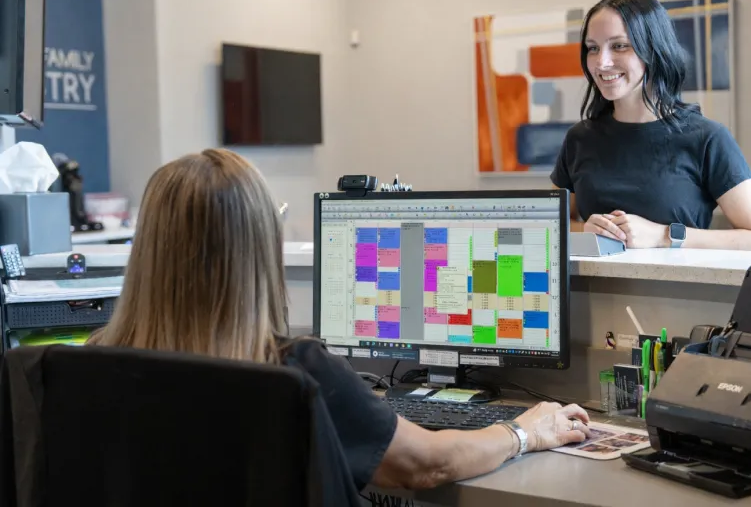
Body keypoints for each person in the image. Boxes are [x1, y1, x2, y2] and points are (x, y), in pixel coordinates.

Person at [89, 148, 592, 492]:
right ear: (258, 251)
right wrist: (525, 431)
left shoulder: (93, 363)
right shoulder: (293, 372)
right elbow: (427, 465)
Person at [551, 0, 751, 252]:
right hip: (590, 294)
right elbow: (553, 225)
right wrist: (587, 230)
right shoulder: (579, 139)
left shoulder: (707, 138)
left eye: (619, 45)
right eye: (593, 48)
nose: (601, 63)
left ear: (653, 49)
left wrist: (663, 235)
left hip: (678, 293)